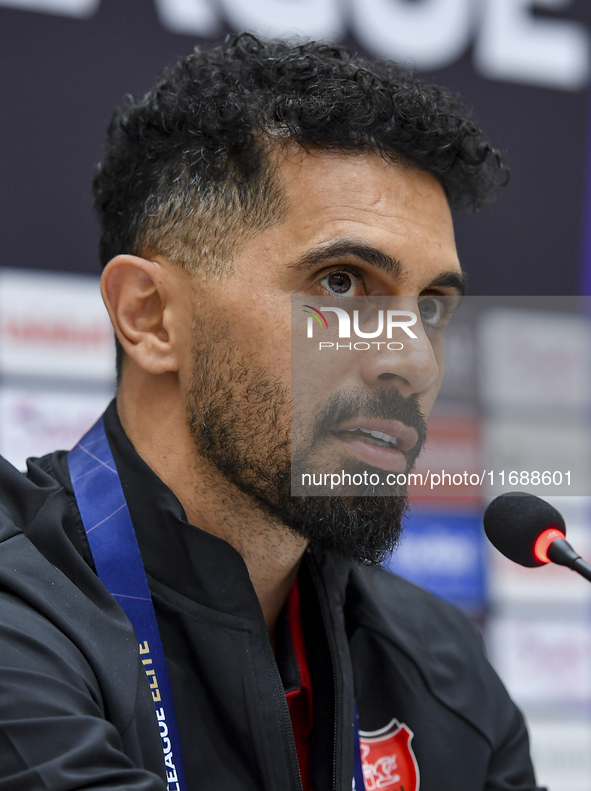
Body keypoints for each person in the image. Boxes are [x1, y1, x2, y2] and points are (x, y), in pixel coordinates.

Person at [0, 34, 545, 791]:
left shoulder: (442, 661)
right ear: (151, 316)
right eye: (342, 284)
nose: (414, 359)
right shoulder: (17, 608)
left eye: (429, 306)